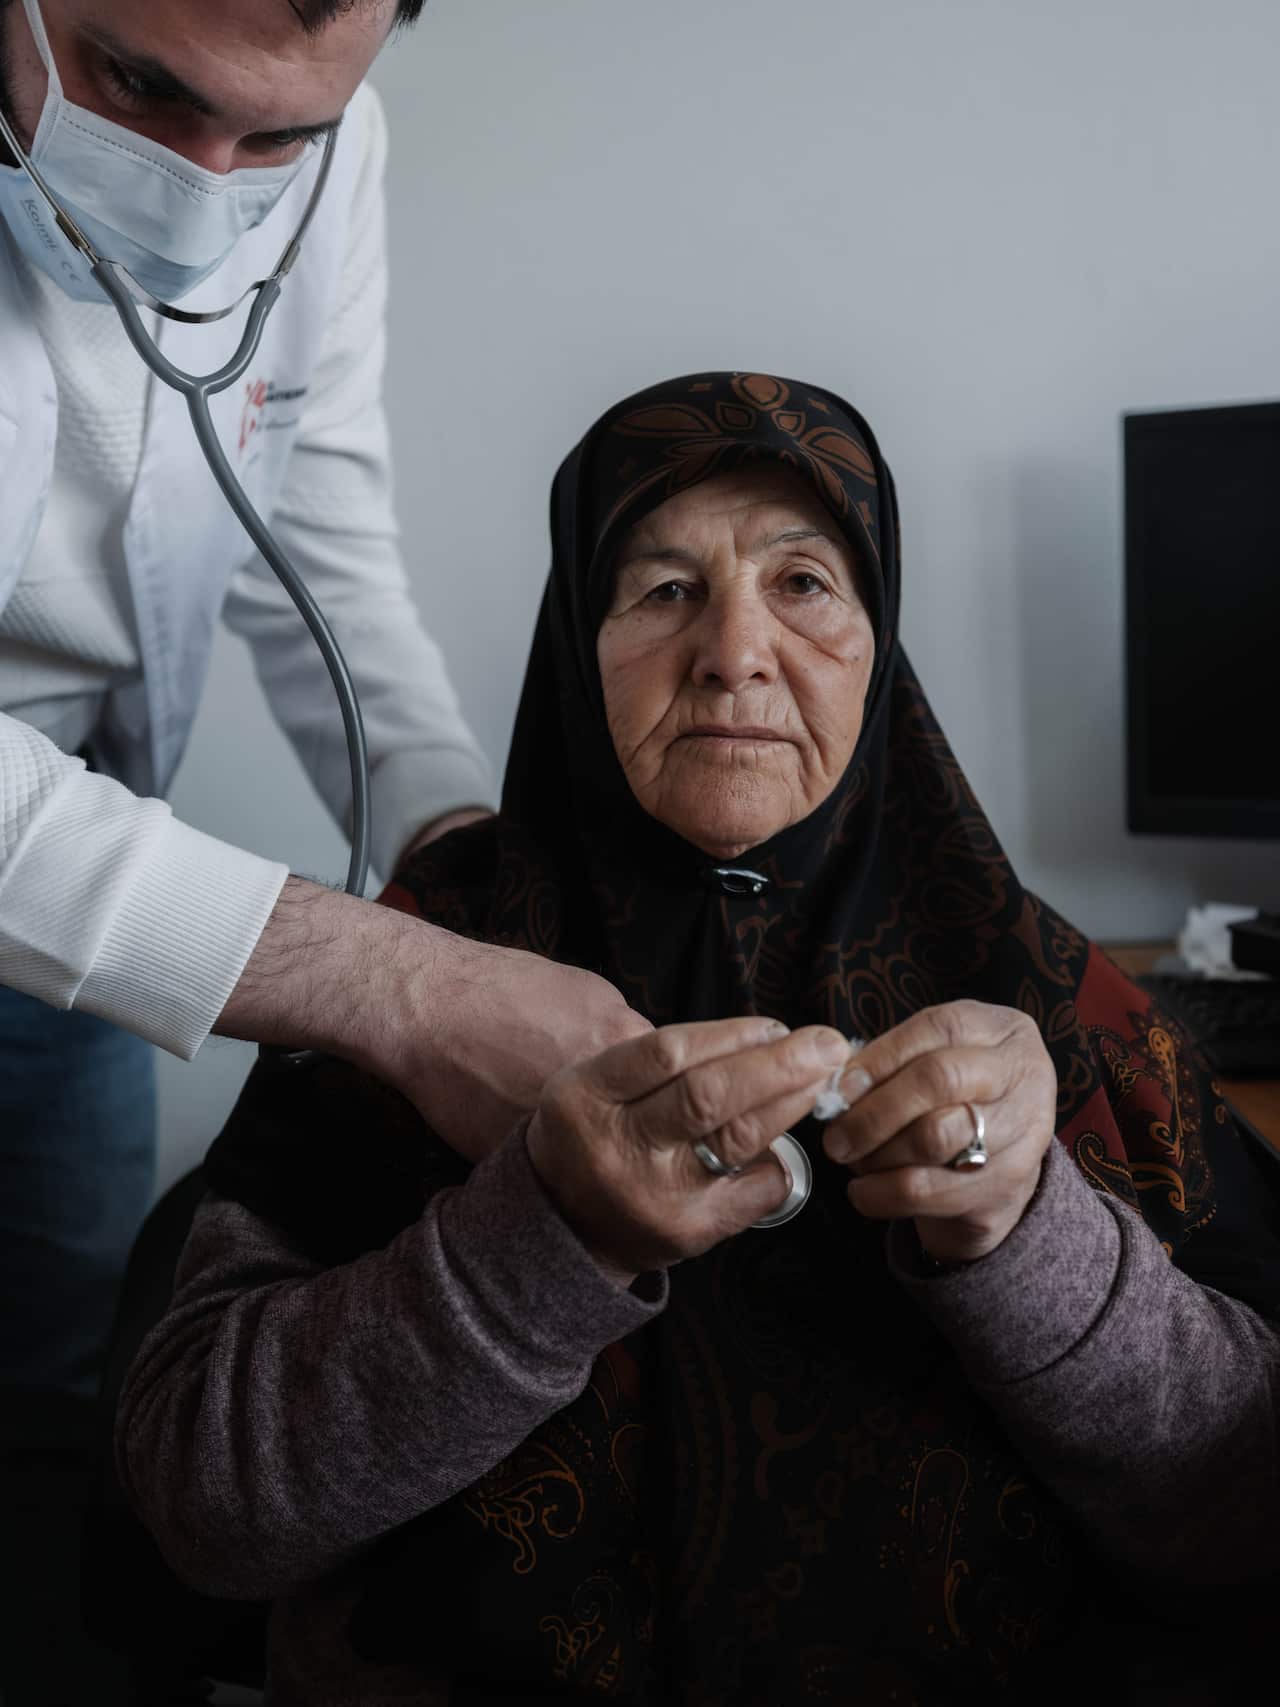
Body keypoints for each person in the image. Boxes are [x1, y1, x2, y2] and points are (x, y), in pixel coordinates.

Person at [117, 371, 1280, 1704]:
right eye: (665, 590)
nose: (734, 651)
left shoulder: (1045, 994)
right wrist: (544, 1237)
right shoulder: (425, 960)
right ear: (578, 637)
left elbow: (1247, 1515)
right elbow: (200, 1508)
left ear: (879, 634)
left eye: (803, 584)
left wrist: (1023, 1236)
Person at [0, 0, 644, 1405]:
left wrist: (463, 850)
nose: (205, 178)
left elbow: (317, 533)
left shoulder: (336, 158)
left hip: (85, 850)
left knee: (58, 1395)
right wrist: (391, 985)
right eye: (138, 83)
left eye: (280, 131)